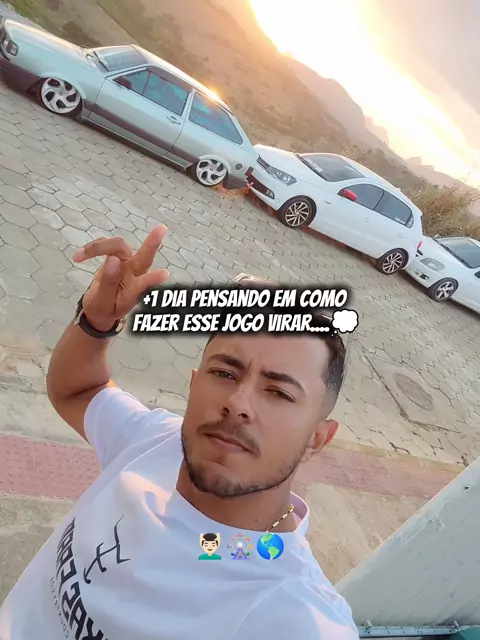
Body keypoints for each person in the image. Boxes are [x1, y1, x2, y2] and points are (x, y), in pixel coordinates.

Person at [0, 225, 359, 639]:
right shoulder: (156, 441)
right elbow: (77, 389)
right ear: (193, 384)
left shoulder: (293, 615)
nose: (239, 402)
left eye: (278, 392)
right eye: (224, 373)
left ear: (317, 439)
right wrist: (96, 321)